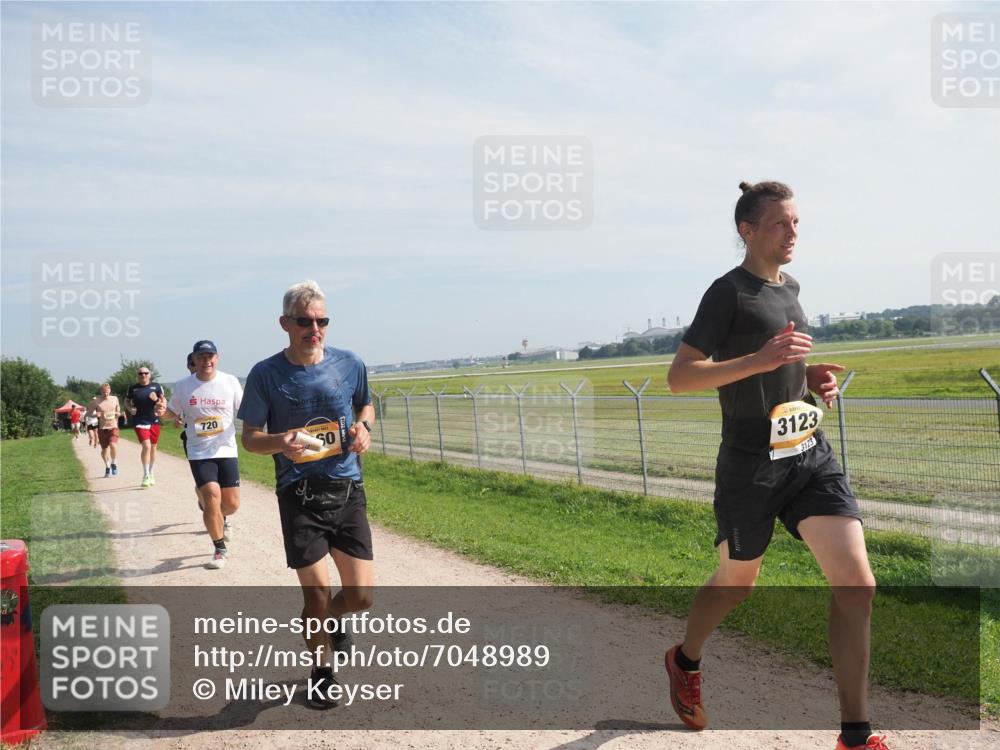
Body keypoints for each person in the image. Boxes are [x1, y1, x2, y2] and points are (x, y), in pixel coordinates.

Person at [665, 181, 887, 750]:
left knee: (857, 585)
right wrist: (760, 360)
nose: (793, 233)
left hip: (808, 452)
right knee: (736, 585)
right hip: (750, 464)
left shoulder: (791, 287)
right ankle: (685, 660)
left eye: (796, 223)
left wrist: (809, 376)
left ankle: (855, 736)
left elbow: (781, 363)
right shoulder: (728, 293)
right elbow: (681, 376)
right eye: (780, 223)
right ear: (748, 231)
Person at [238, 280, 375, 709]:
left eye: (321, 321)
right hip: (298, 494)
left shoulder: (350, 363)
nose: (314, 329)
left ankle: (330, 622)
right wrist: (281, 442)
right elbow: (250, 438)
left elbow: (366, 405)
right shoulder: (266, 374)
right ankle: (321, 672)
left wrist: (364, 427)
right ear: (285, 324)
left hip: (347, 490)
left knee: (361, 597)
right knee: (316, 595)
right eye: (304, 321)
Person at [157, 341, 243, 570]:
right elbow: (171, 413)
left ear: (217, 358)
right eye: (201, 357)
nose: (206, 361)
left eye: (210, 356)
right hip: (199, 451)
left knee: (231, 504)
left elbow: (245, 408)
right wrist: (162, 412)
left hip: (226, 449)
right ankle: (219, 548)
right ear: (193, 360)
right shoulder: (183, 386)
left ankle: (214, 512)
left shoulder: (230, 381)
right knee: (212, 495)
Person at [126, 366, 166, 488]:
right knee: (146, 446)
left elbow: (163, 402)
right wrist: (130, 408)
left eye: (145, 373)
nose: (143, 375)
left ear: (149, 374)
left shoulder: (157, 386)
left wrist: (157, 400)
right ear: (137, 375)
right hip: (139, 421)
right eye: (140, 373)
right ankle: (146, 474)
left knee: (153, 447)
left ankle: (151, 471)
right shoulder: (133, 388)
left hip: (154, 420)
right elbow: (126, 400)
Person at [90, 383, 121, 477]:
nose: (105, 394)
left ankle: (113, 463)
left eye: (107, 392)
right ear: (101, 391)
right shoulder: (96, 401)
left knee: (113, 445)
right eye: (104, 392)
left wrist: (118, 413)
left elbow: (118, 410)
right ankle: (107, 467)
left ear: (110, 390)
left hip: (113, 426)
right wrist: (96, 414)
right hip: (102, 428)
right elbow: (89, 413)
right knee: (104, 450)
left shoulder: (115, 399)